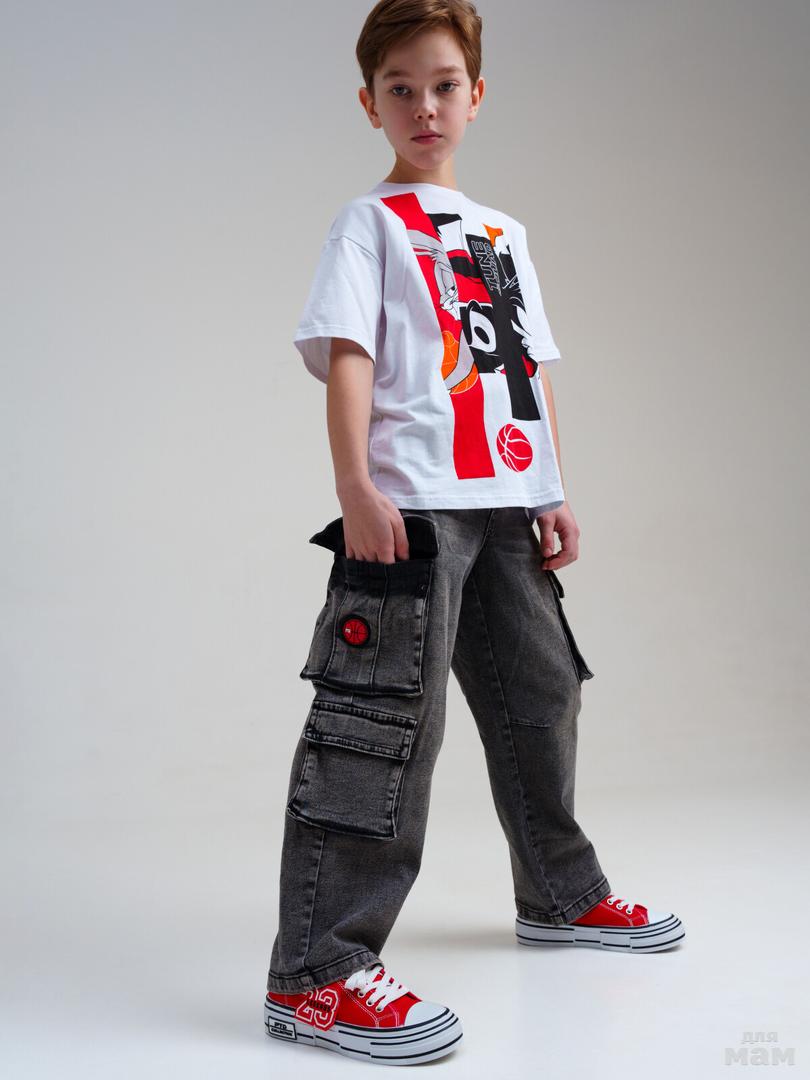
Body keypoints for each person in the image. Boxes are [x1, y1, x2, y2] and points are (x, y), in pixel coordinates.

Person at [263, 0, 684, 1066]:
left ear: (476, 96)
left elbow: (522, 371)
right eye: (400, 88)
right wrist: (356, 484)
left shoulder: (503, 235)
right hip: (409, 507)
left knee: (543, 694)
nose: (425, 106)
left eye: (444, 85)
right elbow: (350, 351)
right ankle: (317, 972)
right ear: (370, 105)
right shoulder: (368, 225)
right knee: (381, 724)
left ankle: (560, 895)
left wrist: (550, 486)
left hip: (504, 507)